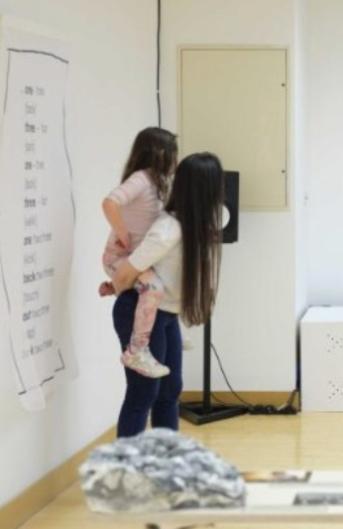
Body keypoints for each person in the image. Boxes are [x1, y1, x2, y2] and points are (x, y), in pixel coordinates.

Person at [110, 152, 224, 437]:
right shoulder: (167, 230)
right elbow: (124, 274)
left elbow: (223, 214)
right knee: (143, 393)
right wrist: (125, 283)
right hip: (139, 311)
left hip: (168, 315)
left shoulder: (202, 224)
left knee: (169, 391)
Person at [100, 127, 178, 378]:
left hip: (133, 260)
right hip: (119, 257)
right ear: (161, 153)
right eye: (173, 154)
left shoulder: (158, 182)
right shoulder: (141, 179)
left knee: (160, 282)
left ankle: (114, 287)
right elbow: (109, 202)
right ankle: (137, 349)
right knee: (154, 288)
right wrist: (121, 231)